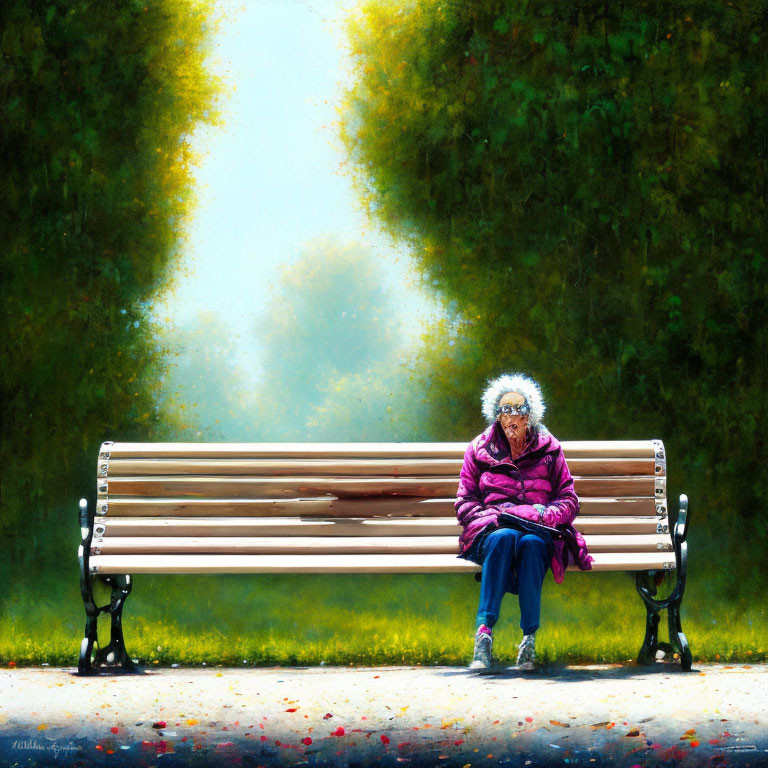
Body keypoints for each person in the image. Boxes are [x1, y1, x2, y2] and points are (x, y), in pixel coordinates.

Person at [455, 373, 593, 672]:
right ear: (496, 415)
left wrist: (541, 516)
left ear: (530, 414)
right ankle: (484, 635)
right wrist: (495, 517)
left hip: (537, 532)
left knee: (530, 544)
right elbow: (465, 501)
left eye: (518, 409)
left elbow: (568, 498)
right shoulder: (479, 449)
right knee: (504, 537)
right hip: (492, 532)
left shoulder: (549, 449)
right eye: (505, 410)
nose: (512, 416)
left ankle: (529, 639)